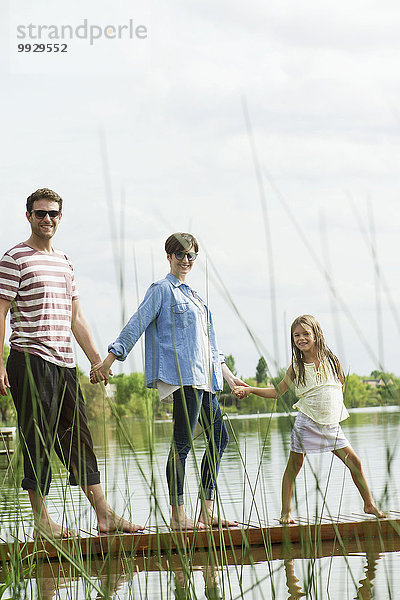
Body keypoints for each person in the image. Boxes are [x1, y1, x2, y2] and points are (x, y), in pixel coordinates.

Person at [0, 188, 144, 538]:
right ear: (28, 216)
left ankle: (105, 515)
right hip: (30, 360)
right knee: (37, 438)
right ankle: (42, 523)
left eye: (53, 213)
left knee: (78, 438)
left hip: (65, 365)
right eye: (40, 213)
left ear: (60, 217)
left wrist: (97, 360)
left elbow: (76, 317)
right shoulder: (13, 258)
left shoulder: (64, 260)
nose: (46, 219)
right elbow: (0, 313)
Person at [92, 232, 245, 530]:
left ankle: (206, 512)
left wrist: (228, 376)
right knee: (182, 445)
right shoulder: (162, 290)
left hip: (206, 380)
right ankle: (178, 516)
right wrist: (110, 359)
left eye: (191, 256)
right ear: (169, 256)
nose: (186, 261)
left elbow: (211, 345)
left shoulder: (196, 297)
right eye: (180, 255)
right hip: (182, 378)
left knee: (220, 438)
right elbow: (136, 323)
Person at [233, 314, 385, 524]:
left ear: (317, 335)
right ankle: (286, 512)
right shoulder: (297, 366)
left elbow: (340, 386)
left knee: (355, 462)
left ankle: (369, 505)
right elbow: (277, 392)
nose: (301, 338)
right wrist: (250, 389)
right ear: (293, 339)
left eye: (306, 333)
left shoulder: (332, 360)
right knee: (294, 466)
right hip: (307, 423)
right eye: (297, 335)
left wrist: (332, 410)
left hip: (330, 425)